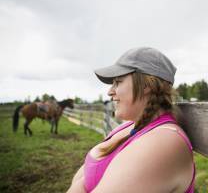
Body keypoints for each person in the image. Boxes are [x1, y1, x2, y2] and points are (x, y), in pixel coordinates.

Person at [67, 47, 195, 193]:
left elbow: (85, 180)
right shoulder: (130, 126)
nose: (110, 91)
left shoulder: (163, 142)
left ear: (146, 85)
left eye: (118, 82)